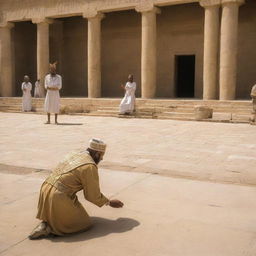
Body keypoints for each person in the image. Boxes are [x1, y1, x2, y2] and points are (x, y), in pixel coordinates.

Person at [29, 138, 123, 240]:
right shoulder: (89, 166)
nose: (101, 159)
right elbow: (92, 195)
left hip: (45, 188)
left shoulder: (75, 153)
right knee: (84, 223)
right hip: (57, 195)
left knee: (71, 204)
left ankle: (46, 222)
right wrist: (108, 202)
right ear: (96, 154)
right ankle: (48, 228)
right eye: (101, 156)